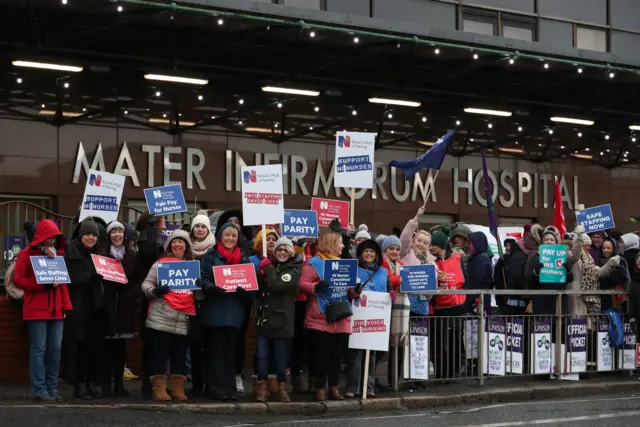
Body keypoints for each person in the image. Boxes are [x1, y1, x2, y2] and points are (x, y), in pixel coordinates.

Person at [13, 220, 72, 401]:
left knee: (55, 349)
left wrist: (65, 305)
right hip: (36, 310)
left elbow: (61, 285)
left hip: (56, 310)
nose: (51, 241)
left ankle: (51, 387)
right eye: (48, 237)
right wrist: (42, 285)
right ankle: (39, 389)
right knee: (39, 349)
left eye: (54, 238)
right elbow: (18, 279)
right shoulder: (25, 254)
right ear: (40, 236)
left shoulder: (58, 256)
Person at [198, 222, 254, 401]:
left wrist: (245, 292)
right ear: (220, 237)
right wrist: (210, 288)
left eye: (233, 236)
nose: (230, 239)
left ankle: (229, 390)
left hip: (234, 313)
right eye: (227, 235)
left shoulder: (244, 259)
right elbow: (202, 278)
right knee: (214, 352)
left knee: (230, 354)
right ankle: (215, 389)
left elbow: (252, 289)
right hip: (214, 311)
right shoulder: (209, 257)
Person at [141, 230, 196, 401]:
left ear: (187, 246)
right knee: (159, 354)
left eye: (181, 242)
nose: (177, 245)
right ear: (169, 245)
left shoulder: (192, 266)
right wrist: (155, 291)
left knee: (179, 356)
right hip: (161, 316)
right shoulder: (160, 264)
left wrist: (200, 286)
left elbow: (198, 294)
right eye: (174, 242)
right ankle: (159, 390)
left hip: (182, 317)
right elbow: (146, 284)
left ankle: (178, 390)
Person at [299, 230, 350, 402]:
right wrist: (315, 287)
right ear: (331, 243)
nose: (343, 246)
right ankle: (320, 388)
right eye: (340, 242)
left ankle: (333, 387)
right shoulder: (315, 263)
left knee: (336, 356)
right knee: (320, 355)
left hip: (340, 315)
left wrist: (355, 290)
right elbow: (302, 283)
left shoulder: (343, 264)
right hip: (320, 315)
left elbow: (349, 288)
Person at [254, 237, 302, 402]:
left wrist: (267, 269)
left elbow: (275, 286)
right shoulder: (271, 267)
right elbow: (261, 287)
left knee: (280, 356)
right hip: (265, 319)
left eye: (285, 250)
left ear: (290, 252)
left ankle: (282, 387)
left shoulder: (293, 271)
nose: (282, 252)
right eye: (279, 250)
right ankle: (262, 387)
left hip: (282, 321)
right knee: (262, 356)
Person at [345, 239, 393, 398]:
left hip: (376, 318)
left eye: (372, 251)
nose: (369, 253)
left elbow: (390, 290)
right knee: (355, 354)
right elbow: (347, 289)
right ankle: (352, 387)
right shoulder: (354, 270)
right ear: (360, 254)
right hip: (357, 317)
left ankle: (369, 386)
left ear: (377, 255)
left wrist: (391, 296)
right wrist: (351, 292)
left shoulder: (383, 273)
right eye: (366, 251)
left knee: (371, 355)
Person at [64, 219, 105, 399]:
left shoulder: (99, 255)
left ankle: (91, 383)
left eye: (94, 235)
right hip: (79, 307)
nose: (91, 238)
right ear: (80, 236)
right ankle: (79, 384)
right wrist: (90, 277)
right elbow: (69, 277)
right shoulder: (71, 251)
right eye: (88, 234)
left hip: (96, 307)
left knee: (93, 347)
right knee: (79, 348)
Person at [99, 221, 137, 397]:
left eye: (119, 231)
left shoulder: (132, 255)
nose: (117, 235)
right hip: (106, 306)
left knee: (122, 349)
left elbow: (138, 279)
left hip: (125, 307)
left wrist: (131, 294)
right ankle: (106, 384)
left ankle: (119, 384)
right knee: (106, 349)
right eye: (113, 231)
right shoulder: (102, 255)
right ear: (108, 235)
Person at [134, 211, 167, 399]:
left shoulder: (156, 238)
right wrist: (154, 230)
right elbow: (149, 253)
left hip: (163, 300)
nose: (167, 222)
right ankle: (149, 384)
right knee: (152, 343)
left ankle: (157, 383)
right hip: (150, 299)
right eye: (163, 218)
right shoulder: (147, 239)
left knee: (160, 345)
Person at [429, 228, 465, 379]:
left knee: (455, 339)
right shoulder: (430, 260)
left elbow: (466, 279)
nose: (430, 248)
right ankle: (440, 372)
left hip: (456, 306)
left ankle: (454, 369)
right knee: (437, 341)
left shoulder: (458, 258)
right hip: (438, 306)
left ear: (442, 246)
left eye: (433, 245)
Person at [187, 210, 216, 397]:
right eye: (196, 226)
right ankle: (196, 383)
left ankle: (209, 382)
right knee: (194, 345)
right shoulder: (184, 247)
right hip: (188, 303)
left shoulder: (214, 250)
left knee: (210, 346)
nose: (199, 229)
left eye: (203, 226)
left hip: (209, 303)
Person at [400, 206, 436, 320]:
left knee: (420, 337)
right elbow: (405, 237)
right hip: (406, 303)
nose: (421, 244)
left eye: (425, 243)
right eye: (419, 240)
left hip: (422, 306)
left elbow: (432, 287)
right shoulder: (405, 253)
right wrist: (417, 217)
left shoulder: (432, 263)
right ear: (414, 240)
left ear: (428, 246)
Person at [380, 234, 407, 387]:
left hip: (399, 306)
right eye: (391, 249)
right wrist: (403, 279)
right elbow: (387, 278)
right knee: (383, 345)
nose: (395, 252)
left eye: (397, 249)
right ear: (385, 250)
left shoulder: (401, 265)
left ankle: (394, 379)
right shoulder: (382, 264)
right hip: (383, 306)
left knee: (398, 342)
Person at [291, 237, 317, 392]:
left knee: (312, 344)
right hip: (296, 301)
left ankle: (313, 381)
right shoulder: (294, 247)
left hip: (313, 302)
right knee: (297, 342)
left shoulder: (318, 252)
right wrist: (299, 249)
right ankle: (296, 379)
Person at [598, 236, 631, 312]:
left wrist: (603, 276)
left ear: (614, 249)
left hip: (616, 297)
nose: (606, 250)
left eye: (608, 248)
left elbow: (618, 278)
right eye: (604, 248)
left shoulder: (619, 260)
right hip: (602, 298)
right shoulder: (599, 261)